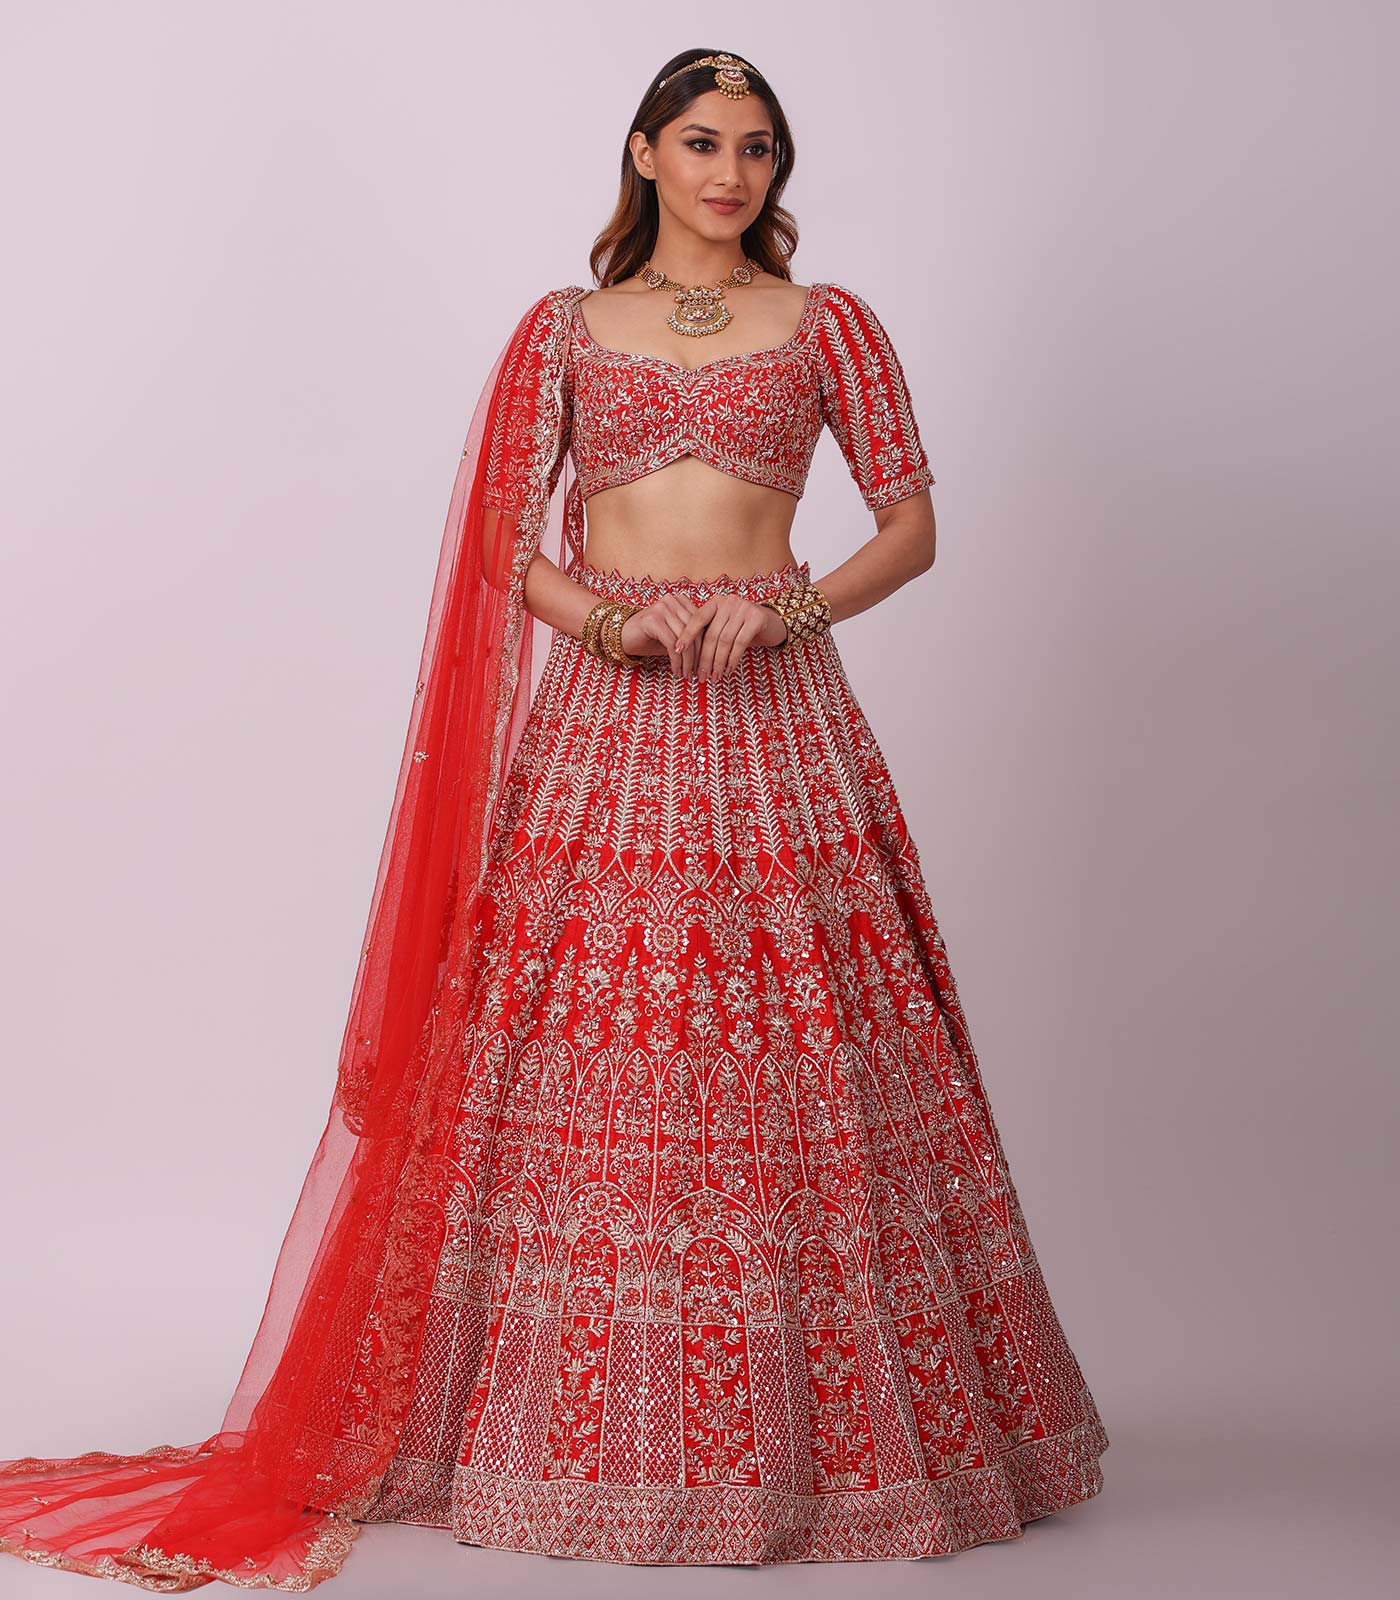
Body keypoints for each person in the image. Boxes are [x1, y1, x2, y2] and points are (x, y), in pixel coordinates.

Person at [0, 47, 1108, 1587]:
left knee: (802, 1046)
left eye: (759, 149)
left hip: (779, 717)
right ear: (645, 153)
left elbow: (910, 524)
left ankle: (829, 1446)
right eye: (702, 142)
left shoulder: (830, 324)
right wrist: (605, 620)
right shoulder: (565, 330)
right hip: (607, 718)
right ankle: (554, 1436)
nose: (731, 174)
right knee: (583, 1047)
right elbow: (500, 541)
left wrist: (785, 609)